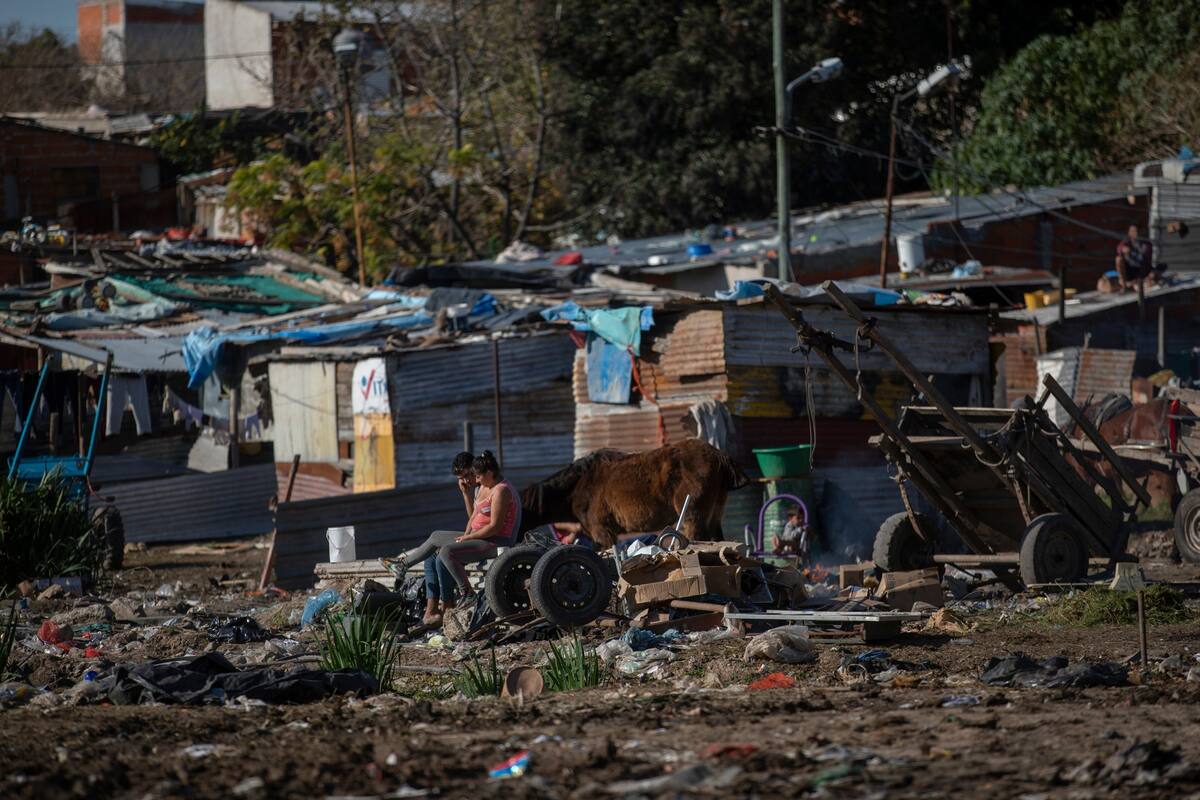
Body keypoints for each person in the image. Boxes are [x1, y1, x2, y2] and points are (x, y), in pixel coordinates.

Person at [387, 451, 477, 626]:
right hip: (473, 535)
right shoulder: (476, 488)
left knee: (436, 537)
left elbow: (481, 524)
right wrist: (466, 494)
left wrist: (468, 536)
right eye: (462, 478)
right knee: (431, 557)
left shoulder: (486, 487)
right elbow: (473, 518)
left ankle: (403, 565)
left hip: (482, 539)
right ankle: (432, 611)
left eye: (467, 475)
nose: (466, 480)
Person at [437, 450, 522, 598]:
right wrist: (466, 535)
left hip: (496, 542)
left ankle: (468, 594)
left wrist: (468, 538)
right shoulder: (485, 487)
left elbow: (495, 527)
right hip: (482, 537)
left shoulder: (501, 490)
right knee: (436, 543)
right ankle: (404, 565)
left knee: (446, 552)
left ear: (489, 473)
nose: (476, 480)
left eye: (478, 476)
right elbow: (474, 518)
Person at [1115, 225, 1154, 291]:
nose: (1134, 233)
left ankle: (1137, 282)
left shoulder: (1146, 244)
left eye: (1136, 231)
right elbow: (1119, 248)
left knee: (1152, 277)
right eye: (1132, 231)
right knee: (1118, 259)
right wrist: (1123, 249)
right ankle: (1124, 285)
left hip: (1141, 269)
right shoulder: (1127, 242)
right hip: (1130, 269)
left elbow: (1146, 261)